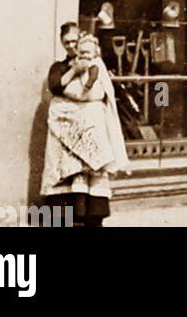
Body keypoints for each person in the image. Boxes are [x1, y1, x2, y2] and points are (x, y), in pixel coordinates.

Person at [40, 32, 128, 227]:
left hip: (92, 126)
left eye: (74, 41)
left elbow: (99, 91)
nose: (71, 45)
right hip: (67, 126)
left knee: (92, 173)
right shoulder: (60, 67)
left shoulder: (97, 66)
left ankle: (92, 217)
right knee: (68, 172)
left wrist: (86, 88)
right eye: (67, 42)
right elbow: (56, 86)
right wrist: (74, 72)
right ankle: (65, 218)